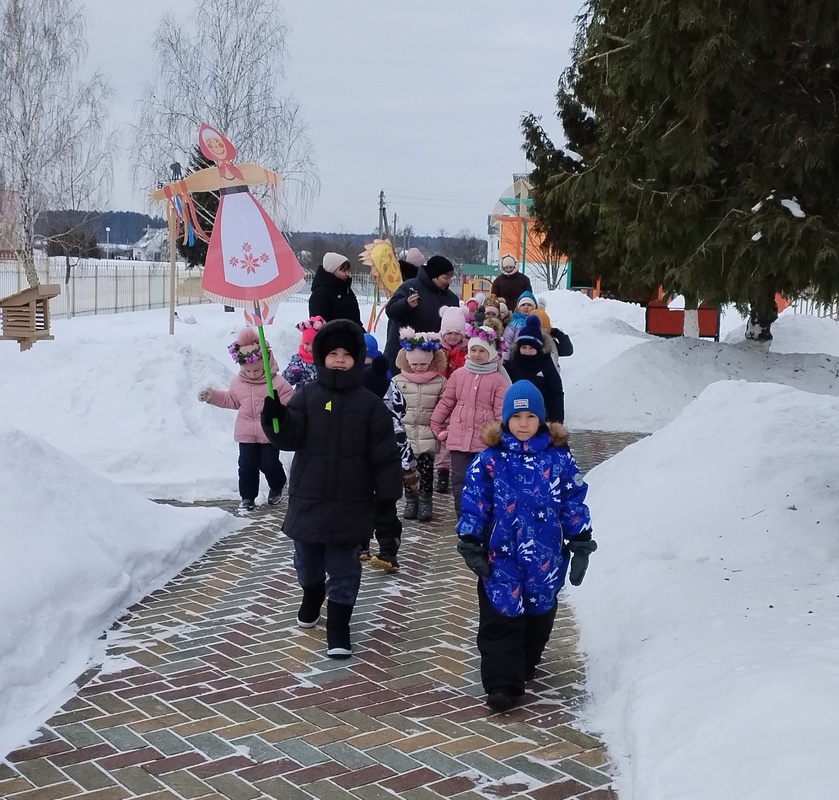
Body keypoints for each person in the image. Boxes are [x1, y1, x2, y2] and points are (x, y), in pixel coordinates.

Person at [260, 320, 402, 658]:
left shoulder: (370, 405)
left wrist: (386, 502)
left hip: (352, 503)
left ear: (358, 358)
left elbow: (384, 458)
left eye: (347, 354)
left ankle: (339, 626)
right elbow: (289, 438)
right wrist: (275, 418)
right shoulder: (307, 396)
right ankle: (312, 593)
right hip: (309, 500)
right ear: (322, 356)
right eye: (333, 353)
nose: (339, 359)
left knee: (344, 569)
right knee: (307, 564)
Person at [456, 380, 596, 712]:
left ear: (542, 420)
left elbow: (573, 501)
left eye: (530, 416)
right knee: (501, 615)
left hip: (544, 557)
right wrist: (471, 540)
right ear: (506, 419)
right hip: (500, 555)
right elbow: (475, 501)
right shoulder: (490, 460)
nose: (523, 424)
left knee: (539, 614)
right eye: (516, 417)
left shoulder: (559, 460)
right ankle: (501, 684)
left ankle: (526, 660)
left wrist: (580, 541)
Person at [198, 328, 294, 511]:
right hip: (246, 433)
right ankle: (247, 497)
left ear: (266, 362)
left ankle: (278, 484)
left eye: (256, 370)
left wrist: (283, 412)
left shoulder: (278, 384)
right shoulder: (238, 383)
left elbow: (291, 403)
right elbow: (231, 400)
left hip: (269, 433)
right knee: (246, 466)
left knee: (268, 463)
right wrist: (212, 396)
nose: (252, 374)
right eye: (247, 370)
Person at [430, 324, 509, 518]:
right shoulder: (458, 375)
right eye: (473, 350)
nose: (476, 354)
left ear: (491, 353)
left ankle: (482, 517)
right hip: (459, 439)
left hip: (484, 442)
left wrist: (500, 436)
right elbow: (448, 401)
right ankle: (463, 516)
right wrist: (435, 422)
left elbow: (500, 412)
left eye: (482, 351)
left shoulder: (497, 379)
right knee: (459, 480)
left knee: (483, 480)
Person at [360, 354, 420, 572]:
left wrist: (409, 470)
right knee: (359, 510)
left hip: (386, 474)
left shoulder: (389, 421)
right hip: (361, 473)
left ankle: (388, 552)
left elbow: (402, 445)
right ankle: (361, 546)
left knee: (385, 513)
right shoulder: (357, 418)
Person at [393, 329, 447, 522]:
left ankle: (425, 501)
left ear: (431, 361)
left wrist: (440, 426)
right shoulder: (397, 381)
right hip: (405, 434)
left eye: (423, 364)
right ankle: (411, 500)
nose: (418, 368)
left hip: (427, 434)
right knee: (407, 470)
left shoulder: (440, 382)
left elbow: (445, 406)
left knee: (426, 470)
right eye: (414, 364)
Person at [383, 255, 459, 371]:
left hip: (432, 355)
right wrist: (405, 304)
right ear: (434, 276)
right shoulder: (409, 286)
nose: (448, 281)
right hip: (406, 353)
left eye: (450, 278)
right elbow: (391, 310)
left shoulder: (451, 298)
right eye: (445, 277)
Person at [505, 316, 566, 423]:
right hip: (515, 418)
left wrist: (555, 423)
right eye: (524, 347)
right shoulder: (511, 366)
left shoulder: (546, 365)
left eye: (531, 348)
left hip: (541, 418)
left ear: (538, 349)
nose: (527, 351)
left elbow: (555, 395)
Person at [435, 305, 468, 493]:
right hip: (441, 397)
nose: (453, 337)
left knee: (455, 434)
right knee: (442, 435)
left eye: (457, 333)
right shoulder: (436, 349)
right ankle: (442, 470)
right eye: (449, 333)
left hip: (461, 398)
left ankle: (457, 469)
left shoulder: (467, 350)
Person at [308, 252, 363, 327]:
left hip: (353, 333)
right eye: (343, 270)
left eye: (347, 270)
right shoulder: (320, 294)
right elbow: (318, 327)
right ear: (332, 270)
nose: (347, 274)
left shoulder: (346, 290)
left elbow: (356, 320)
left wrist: (362, 332)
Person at [282, 315, 325, 390]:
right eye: (307, 344)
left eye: (314, 344)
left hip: (322, 395)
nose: (310, 348)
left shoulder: (326, 359)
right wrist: (290, 373)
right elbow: (287, 382)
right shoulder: (298, 359)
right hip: (302, 396)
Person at [502, 291, 539, 358]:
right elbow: (507, 340)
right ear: (518, 308)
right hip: (515, 355)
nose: (526, 307)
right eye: (523, 305)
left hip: (533, 354)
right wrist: (505, 356)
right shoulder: (514, 322)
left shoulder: (538, 321)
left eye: (529, 305)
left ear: (534, 307)